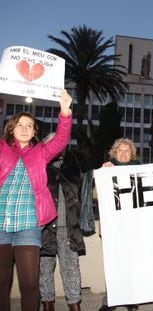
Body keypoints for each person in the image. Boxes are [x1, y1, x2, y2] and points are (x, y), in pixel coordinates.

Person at [0, 90, 72, 311]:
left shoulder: (40, 152)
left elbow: (60, 140)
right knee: (1, 282)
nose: (24, 128)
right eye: (20, 124)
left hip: (29, 224)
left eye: (29, 125)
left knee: (30, 282)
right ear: (11, 128)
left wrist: (65, 111)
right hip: (0, 223)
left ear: (34, 132)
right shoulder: (2, 149)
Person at [40, 150, 85, 311]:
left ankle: (74, 304)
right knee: (44, 266)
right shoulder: (39, 166)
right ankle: (47, 303)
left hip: (68, 226)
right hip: (44, 227)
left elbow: (86, 187)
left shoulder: (73, 169)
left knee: (71, 266)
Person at [99, 138, 140, 311]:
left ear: (132, 154)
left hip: (134, 225)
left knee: (132, 263)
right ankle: (111, 299)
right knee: (112, 264)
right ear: (114, 153)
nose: (123, 154)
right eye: (120, 151)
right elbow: (94, 195)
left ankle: (131, 297)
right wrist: (100, 174)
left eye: (127, 150)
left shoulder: (141, 170)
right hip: (111, 226)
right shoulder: (105, 169)